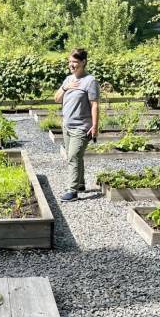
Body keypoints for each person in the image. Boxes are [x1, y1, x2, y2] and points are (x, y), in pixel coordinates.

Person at [54, 48, 100, 202]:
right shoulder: (67, 80)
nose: (71, 65)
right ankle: (80, 183)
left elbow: (94, 105)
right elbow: (56, 99)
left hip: (82, 126)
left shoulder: (90, 81)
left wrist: (95, 126)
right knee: (74, 156)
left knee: (73, 156)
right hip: (67, 126)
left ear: (83, 62)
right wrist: (65, 87)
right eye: (70, 62)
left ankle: (72, 191)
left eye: (75, 62)